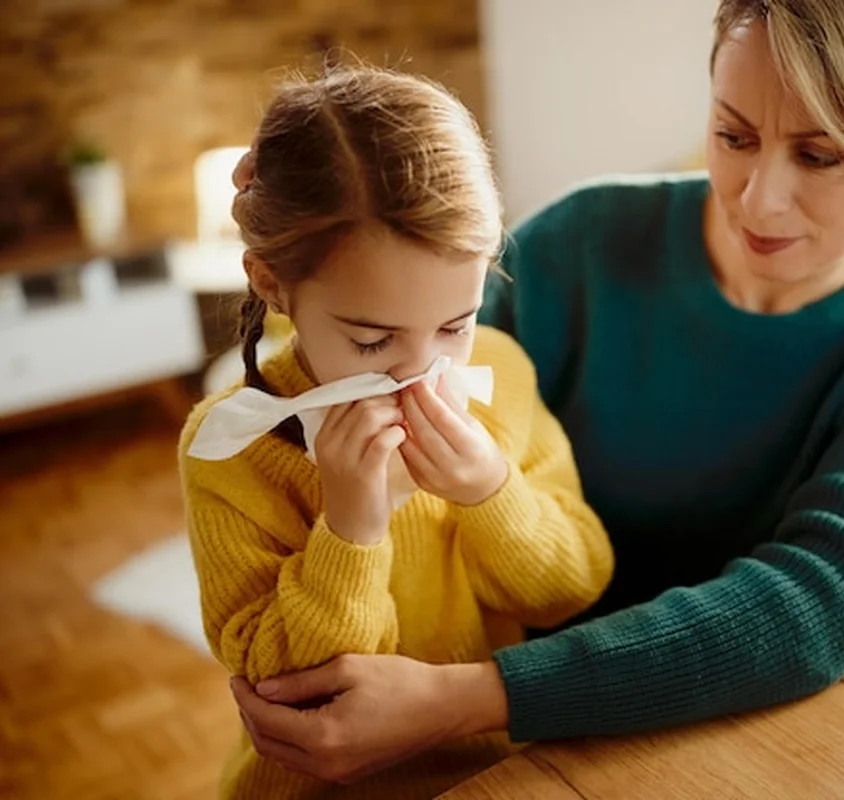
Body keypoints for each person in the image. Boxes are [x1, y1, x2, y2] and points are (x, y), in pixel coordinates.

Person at [231, 0, 844, 784]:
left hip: (728, 730)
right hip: (522, 751)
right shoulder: (578, 242)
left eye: (821, 156)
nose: (759, 199)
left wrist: (467, 698)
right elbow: (359, 356)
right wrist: (302, 225)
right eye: (733, 135)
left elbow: (826, 598)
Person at [179, 66, 614, 799]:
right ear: (271, 284)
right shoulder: (231, 446)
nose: (420, 373)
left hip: (496, 769)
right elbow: (283, 693)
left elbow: (574, 587)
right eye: (373, 342)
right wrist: (350, 530)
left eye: (455, 325)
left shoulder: (500, 375)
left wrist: (491, 491)